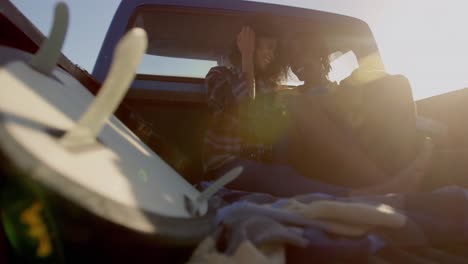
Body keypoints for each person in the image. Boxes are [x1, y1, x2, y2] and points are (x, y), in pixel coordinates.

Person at [202, 22, 432, 197]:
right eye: (261, 48)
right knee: (285, 170)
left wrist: (322, 84)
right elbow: (246, 105)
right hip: (231, 161)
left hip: (337, 151)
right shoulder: (221, 76)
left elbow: (373, 80)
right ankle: (379, 189)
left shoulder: (273, 87)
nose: (268, 54)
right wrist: (248, 58)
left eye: (273, 49)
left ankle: (397, 173)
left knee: (397, 83)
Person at [286, 32, 425, 188]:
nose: (296, 62)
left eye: (301, 54)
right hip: (325, 160)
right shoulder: (290, 96)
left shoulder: (344, 89)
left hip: (366, 148)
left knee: (398, 83)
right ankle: (392, 180)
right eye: (292, 58)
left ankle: (403, 168)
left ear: (319, 56)